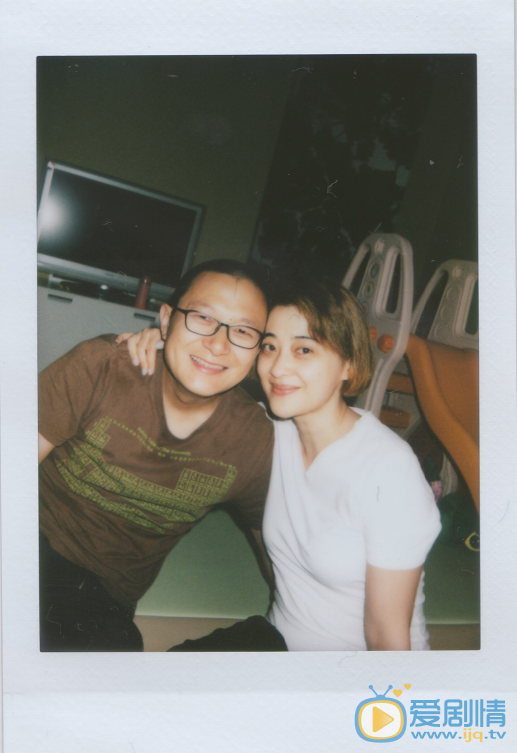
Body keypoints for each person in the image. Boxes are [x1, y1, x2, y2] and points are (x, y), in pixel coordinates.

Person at [126, 276, 441, 651]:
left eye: (304, 350)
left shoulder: (388, 468)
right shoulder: (269, 431)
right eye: (270, 347)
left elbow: (387, 635)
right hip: (273, 643)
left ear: (349, 364)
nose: (277, 367)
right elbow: (194, 394)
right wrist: (161, 342)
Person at [38, 259, 285, 652]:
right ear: (167, 321)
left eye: (242, 331)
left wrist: (292, 615)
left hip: (102, 596)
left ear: (258, 349)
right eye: (203, 318)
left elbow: (270, 538)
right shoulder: (103, 366)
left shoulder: (253, 441)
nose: (218, 344)